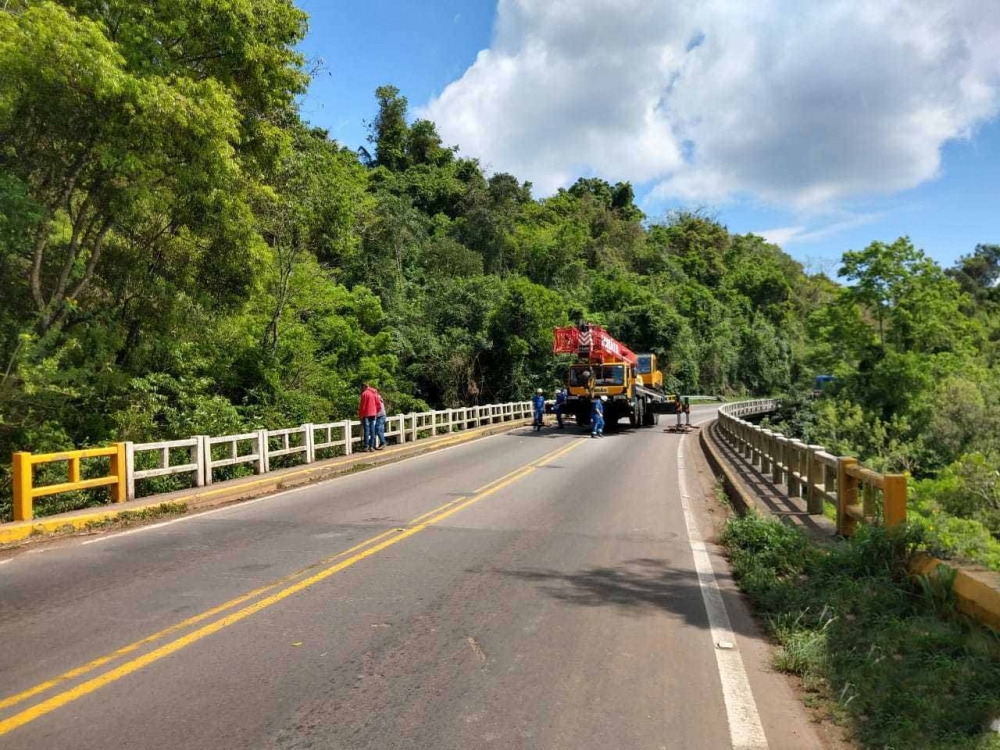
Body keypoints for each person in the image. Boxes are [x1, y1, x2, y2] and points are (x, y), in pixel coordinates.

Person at [358, 383, 379, 452]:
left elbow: (362, 406)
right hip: (373, 414)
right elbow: (378, 404)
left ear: (364, 386)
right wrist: (376, 412)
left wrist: (360, 415)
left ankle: (366, 446)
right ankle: (372, 447)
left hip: (366, 414)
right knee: (372, 430)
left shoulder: (364, 394)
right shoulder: (374, 393)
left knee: (366, 430)